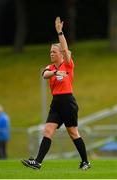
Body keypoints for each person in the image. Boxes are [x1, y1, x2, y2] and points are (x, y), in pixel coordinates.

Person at [21, 17, 90, 170]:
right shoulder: (51, 67)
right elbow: (45, 75)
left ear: (61, 54)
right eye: (50, 52)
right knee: (48, 131)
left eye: (54, 52)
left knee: (73, 133)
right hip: (56, 103)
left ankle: (85, 161)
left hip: (67, 102)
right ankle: (38, 162)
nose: (51, 54)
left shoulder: (68, 65)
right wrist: (55, 72)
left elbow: (66, 49)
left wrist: (59, 31)